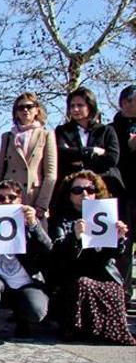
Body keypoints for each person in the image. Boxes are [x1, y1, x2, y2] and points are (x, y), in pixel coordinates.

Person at [48, 170, 134, 345]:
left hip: (101, 271)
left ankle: (107, 330)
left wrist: (119, 239)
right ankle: (79, 329)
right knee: (83, 283)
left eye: (90, 189)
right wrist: (75, 237)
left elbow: (115, 256)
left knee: (113, 288)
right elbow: (58, 254)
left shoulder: (106, 216)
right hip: (72, 274)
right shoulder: (61, 220)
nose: (85, 194)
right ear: (69, 194)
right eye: (77, 190)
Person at [0, 180, 52, 344]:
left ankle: (22, 320)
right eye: (1, 198)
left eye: (12, 197)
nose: (7, 201)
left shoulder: (29, 224)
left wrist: (34, 225)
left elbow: (48, 249)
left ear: (20, 201)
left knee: (36, 311)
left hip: (26, 282)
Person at [0, 93, 57, 225]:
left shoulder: (46, 135)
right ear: (16, 113)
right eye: (20, 108)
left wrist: (42, 205)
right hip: (9, 198)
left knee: (36, 239)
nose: (25, 110)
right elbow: (0, 169)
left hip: (34, 197)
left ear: (37, 110)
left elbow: (51, 173)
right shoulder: (8, 136)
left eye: (29, 106)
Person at [55, 86, 123, 199]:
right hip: (74, 192)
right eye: (72, 106)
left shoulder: (106, 130)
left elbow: (112, 159)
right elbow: (61, 154)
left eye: (80, 105)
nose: (75, 109)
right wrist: (92, 151)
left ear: (90, 106)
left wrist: (79, 159)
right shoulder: (62, 131)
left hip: (106, 187)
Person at [109, 84, 136, 306]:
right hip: (122, 196)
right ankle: (121, 296)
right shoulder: (111, 129)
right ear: (124, 103)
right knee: (122, 246)